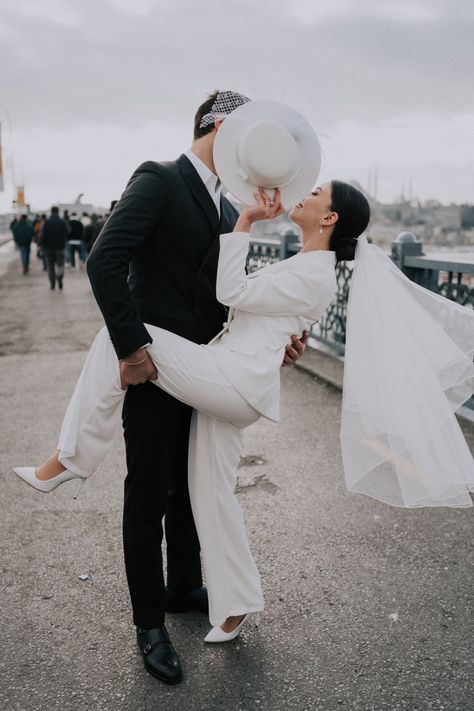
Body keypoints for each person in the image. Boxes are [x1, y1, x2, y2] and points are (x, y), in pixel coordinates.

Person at [41, 206, 69, 290]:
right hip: (60, 248)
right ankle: (60, 279)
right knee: (60, 265)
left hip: (49, 248)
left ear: (51, 212)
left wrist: (42, 245)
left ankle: (52, 283)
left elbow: (43, 235)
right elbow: (68, 231)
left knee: (50, 266)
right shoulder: (62, 222)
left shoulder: (47, 222)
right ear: (58, 211)